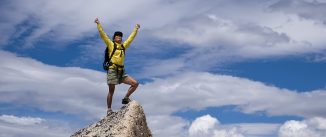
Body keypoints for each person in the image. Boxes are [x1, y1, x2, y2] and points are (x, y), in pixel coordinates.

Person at [94, 18, 140, 115]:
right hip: (112, 69)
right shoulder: (111, 45)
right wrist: (98, 24)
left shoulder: (123, 46)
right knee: (111, 90)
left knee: (135, 83)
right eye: (117, 36)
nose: (119, 37)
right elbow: (103, 35)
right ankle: (109, 110)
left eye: (120, 36)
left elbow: (131, 38)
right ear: (114, 38)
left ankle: (126, 97)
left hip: (121, 71)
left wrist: (136, 29)